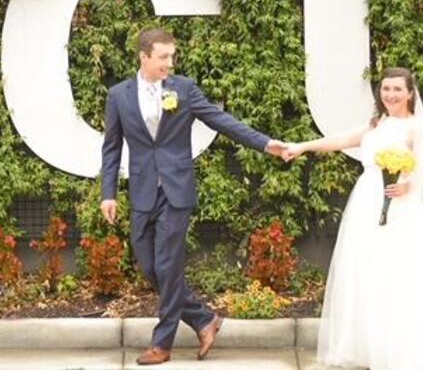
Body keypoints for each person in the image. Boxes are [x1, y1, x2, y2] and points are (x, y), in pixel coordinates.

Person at [284, 67, 423, 370]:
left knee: (401, 273)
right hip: (367, 203)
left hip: (401, 208)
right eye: (386, 89)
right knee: (369, 271)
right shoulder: (377, 123)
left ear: (410, 92)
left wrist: (406, 186)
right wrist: (303, 147)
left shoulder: (416, 129)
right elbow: (342, 139)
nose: (390, 95)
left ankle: (404, 347)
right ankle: (373, 345)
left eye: (397, 89)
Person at [99, 28, 287, 365]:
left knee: (169, 265)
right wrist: (108, 193)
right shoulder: (119, 95)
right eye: (163, 57)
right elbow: (111, 148)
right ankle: (203, 319)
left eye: (172, 57)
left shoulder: (183, 89)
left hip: (176, 190)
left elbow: (221, 121)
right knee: (149, 265)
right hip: (142, 191)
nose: (169, 63)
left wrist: (265, 143)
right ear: (143, 57)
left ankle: (163, 343)